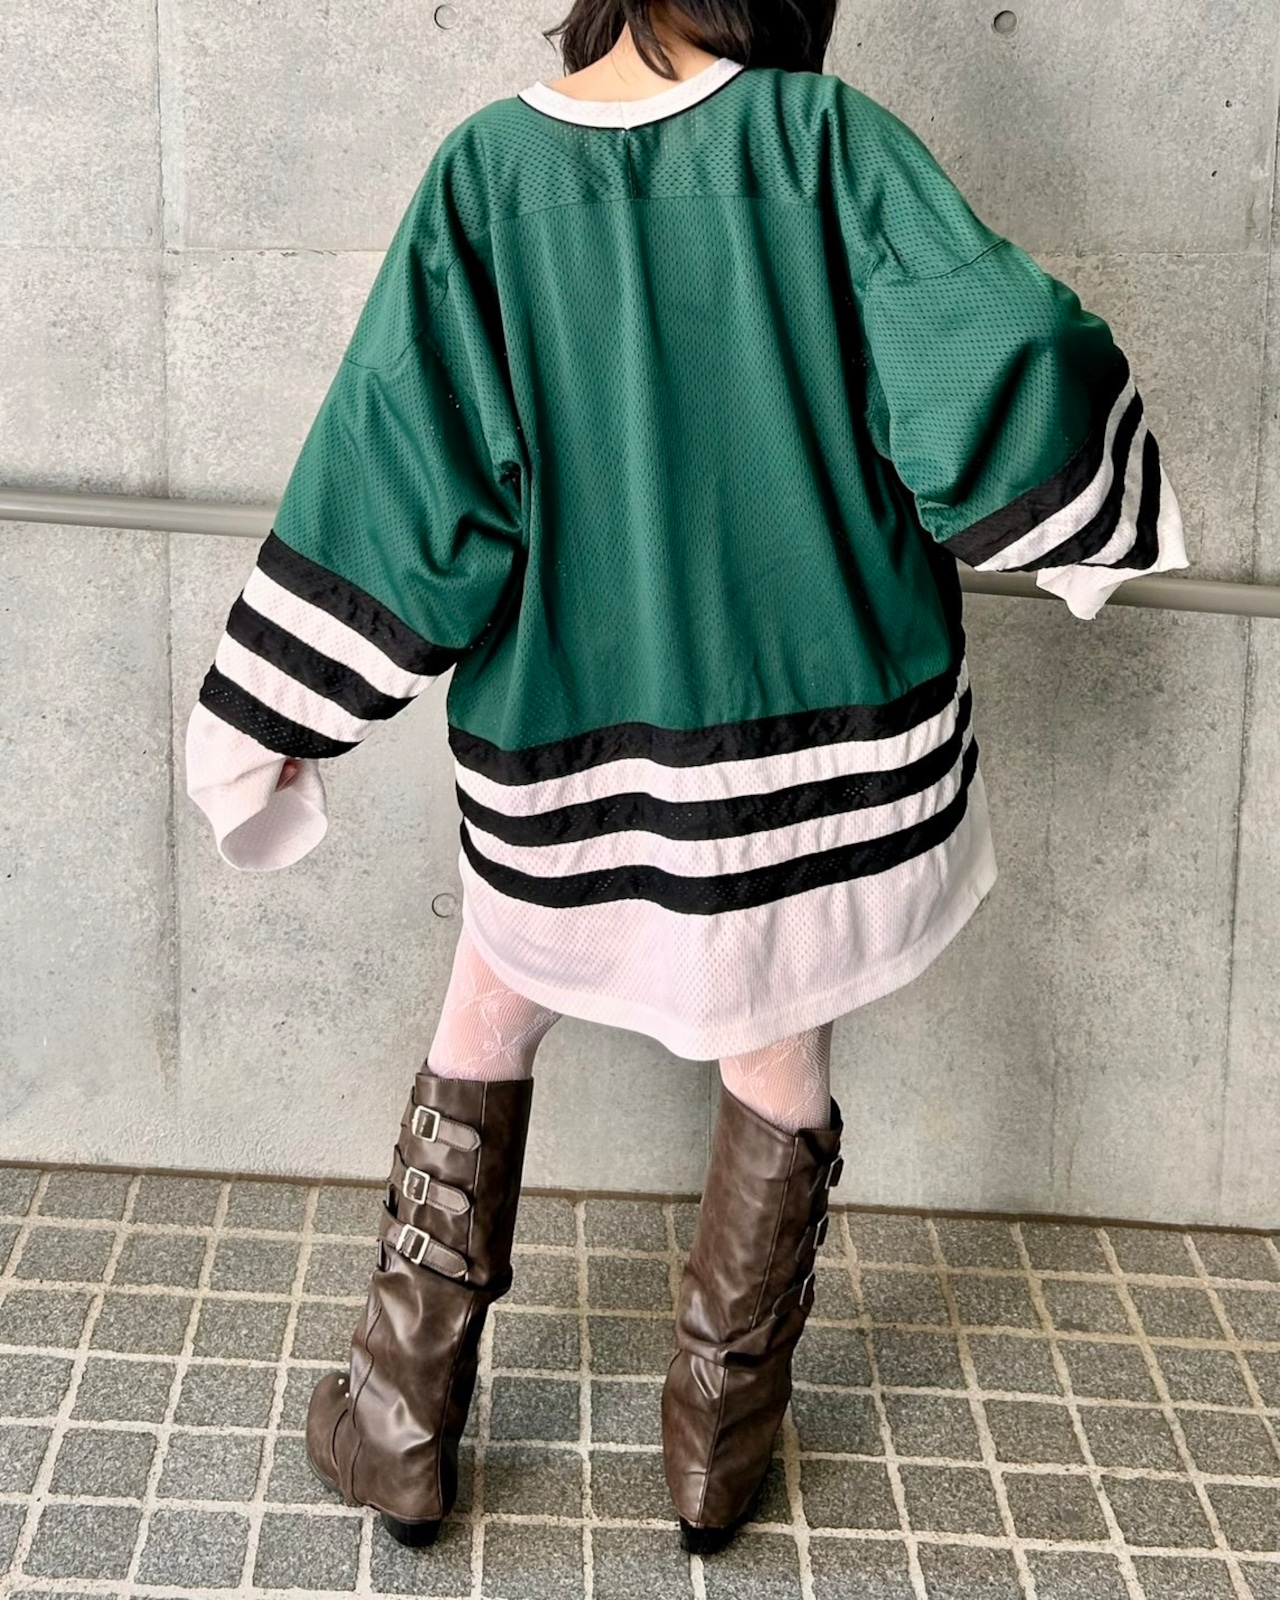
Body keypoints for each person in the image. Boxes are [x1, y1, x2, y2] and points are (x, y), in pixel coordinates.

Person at [183, 0, 1188, 1558]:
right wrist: (1098, 519)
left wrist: (272, 717)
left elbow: (400, 466)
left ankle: (396, 1424)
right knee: (779, 1036)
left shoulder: (488, 174)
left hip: (570, 735)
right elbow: (1002, 348)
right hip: (821, 735)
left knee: (490, 1007)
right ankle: (718, 1454)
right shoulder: (824, 143)